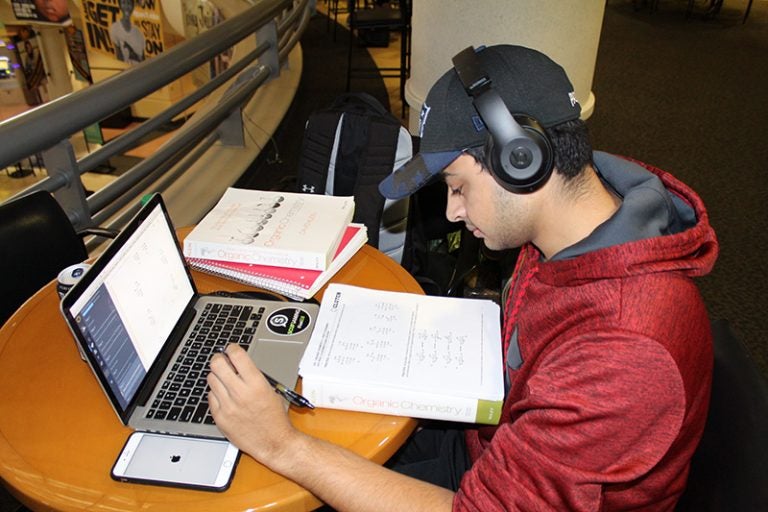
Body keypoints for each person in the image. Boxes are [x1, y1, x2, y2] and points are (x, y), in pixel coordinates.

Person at [207, 44, 718, 510]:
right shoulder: (581, 222)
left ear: (522, 161)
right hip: (493, 440)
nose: (452, 212)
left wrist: (283, 446)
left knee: (271, 461)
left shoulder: (624, 352)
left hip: (492, 482)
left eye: (457, 186)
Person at [110, 0, 145, 64]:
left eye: (129, 3)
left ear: (132, 6)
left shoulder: (139, 33)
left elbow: (143, 60)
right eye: (123, 3)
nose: (126, 6)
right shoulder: (115, 28)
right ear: (120, 5)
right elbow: (119, 60)